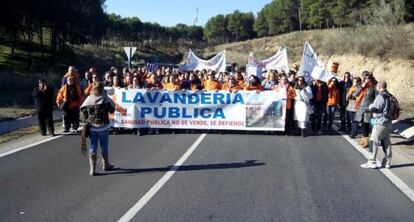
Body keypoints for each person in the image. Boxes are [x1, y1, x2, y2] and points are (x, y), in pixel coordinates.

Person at [81, 81, 116, 176]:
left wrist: (87, 118)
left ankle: (92, 168)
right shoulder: (105, 99)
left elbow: (83, 111)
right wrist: (107, 97)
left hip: (92, 127)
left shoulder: (89, 99)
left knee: (93, 147)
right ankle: (106, 164)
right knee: (104, 146)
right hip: (103, 127)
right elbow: (112, 109)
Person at [361, 81, 393, 169]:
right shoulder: (390, 96)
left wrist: (370, 106)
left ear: (379, 86)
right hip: (389, 122)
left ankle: (372, 161)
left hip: (380, 122)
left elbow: (375, 108)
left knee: (373, 141)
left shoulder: (380, 96)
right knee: (387, 143)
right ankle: (387, 161)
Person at [354, 72, 377, 148]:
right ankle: (364, 139)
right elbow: (356, 94)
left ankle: (367, 141)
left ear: (371, 78)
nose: (366, 80)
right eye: (365, 78)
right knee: (363, 124)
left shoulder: (374, 87)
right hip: (361, 108)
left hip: (369, 109)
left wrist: (373, 108)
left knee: (367, 125)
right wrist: (362, 87)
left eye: (367, 78)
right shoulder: (363, 86)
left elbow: (377, 99)